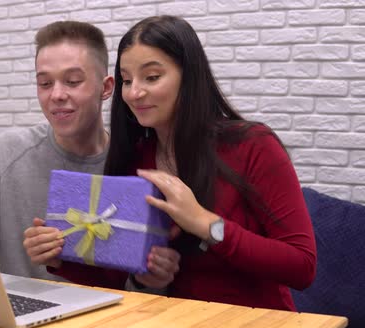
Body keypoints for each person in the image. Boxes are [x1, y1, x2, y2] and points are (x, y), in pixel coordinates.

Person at [24, 15, 316, 311]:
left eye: (151, 77)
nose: (134, 92)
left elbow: (302, 266)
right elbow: (117, 278)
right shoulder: (137, 157)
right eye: (127, 80)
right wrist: (60, 257)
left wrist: (205, 223)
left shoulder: (252, 144)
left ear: (188, 77)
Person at [0, 21, 126, 286]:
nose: (56, 95)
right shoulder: (10, 150)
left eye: (73, 81)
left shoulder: (128, 165)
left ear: (105, 88)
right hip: (16, 315)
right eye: (45, 83)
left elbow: (136, 280)